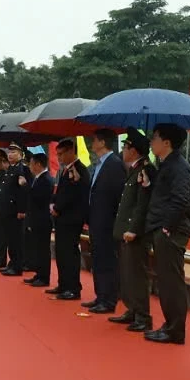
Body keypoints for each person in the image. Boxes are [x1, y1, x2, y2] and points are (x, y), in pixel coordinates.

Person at [143, 123, 190, 345]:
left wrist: (166, 227)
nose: (151, 142)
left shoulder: (179, 167)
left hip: (171, 231)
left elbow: (180, 199)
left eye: (154, 138)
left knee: (171, 281)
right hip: (163, 228)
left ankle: (175, 330)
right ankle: (170, 325)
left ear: (167, 142)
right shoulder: (166, 165)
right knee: (165, 280)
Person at [109, 128, 156, 332]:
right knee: (127, 274)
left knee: (137, 274)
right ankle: (133, 310)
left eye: (126, 147)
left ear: (134, 150)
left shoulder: (145, 170)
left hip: (135, 233)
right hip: (126, 232)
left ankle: (143, 316)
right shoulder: (134, 170)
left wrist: (134, 229)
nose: (123, 151)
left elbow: (142, 205)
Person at [83, 129, 126, 314]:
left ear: (102, 142)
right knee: (98, 259)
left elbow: (118, 195)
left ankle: (109, 299)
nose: (92, 144)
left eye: (94, 140)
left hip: (108, 221)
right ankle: (100, 295)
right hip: (96, 219)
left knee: (108, 260)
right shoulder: (98, 164)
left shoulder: (114, 164)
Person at [48, 139, 90, 301]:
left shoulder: (79, 170)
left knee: (69, 253)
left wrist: (58, 208)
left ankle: (73, 287)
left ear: (71, 151)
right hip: (62, 218)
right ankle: (63, 283)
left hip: (71, 218)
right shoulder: (66, 170)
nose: (59, 158)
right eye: (57, 155)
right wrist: (53, 203)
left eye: (61, 154)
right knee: (61, 253)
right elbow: (60, 191)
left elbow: (73, 195)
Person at [0, 142, 32, 276]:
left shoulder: (22, 169)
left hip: (16, 211)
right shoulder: (11, 169)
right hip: (8, 210)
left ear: (20, 154)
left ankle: (17, 266)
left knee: (16, 240)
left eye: (14, 152)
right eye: (9, 152)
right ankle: (11, 263)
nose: (10, 154)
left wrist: (22, 210)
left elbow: (25, 190)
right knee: (10, 239)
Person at [22, 153, 53, 287]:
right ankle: (39, 274)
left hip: (42, 219)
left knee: (43, 250)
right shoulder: (38, 178)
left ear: (38, 164)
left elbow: (39, 199)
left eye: (31, 163)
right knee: (37, 249)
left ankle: (44, 277)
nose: (30, 166)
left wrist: (26, 186)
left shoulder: (46, 179)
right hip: (36, 219)